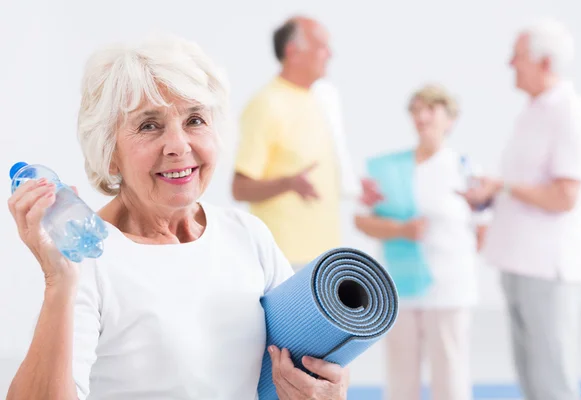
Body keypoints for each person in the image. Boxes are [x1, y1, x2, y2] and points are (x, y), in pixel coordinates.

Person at [6, 35, 349, 400]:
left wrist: (327, 390)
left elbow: (301, 368)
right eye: (149, 125)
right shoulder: (84, 260)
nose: (179, 145)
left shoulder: (247, 235)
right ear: (109, 152)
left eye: (195, 120)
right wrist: (58, 282)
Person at [462, 18, 581, 400]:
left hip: (547, 268)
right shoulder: (534, 112)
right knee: (532, 377)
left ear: (546, 64)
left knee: (552, 378)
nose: (510, 64)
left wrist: (502, 186)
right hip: (519, 263)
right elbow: (528, 186)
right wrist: (490, 194)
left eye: (518, 56)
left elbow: (564, 197)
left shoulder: (571, 113)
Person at [355, 84, 487, 400]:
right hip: (400, 288)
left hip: (449, 290)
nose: (422, 116)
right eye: (415, 110)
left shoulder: (465, 168)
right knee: (400, 379)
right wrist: (401, 231)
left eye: (430, 108)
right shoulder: (388, 169)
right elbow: (362, 220)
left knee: (450, 375)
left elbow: (482, 229)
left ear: (450, 119)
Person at [232, 16, 381, 270]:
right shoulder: (266, 104)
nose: (330, 54)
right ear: (294, 52)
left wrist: (356, 188)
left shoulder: (322, 101)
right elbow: (240, 188)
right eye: (322, 47)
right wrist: (288, 183)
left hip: (325, 257)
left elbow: (321, 171)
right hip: (283, 258)